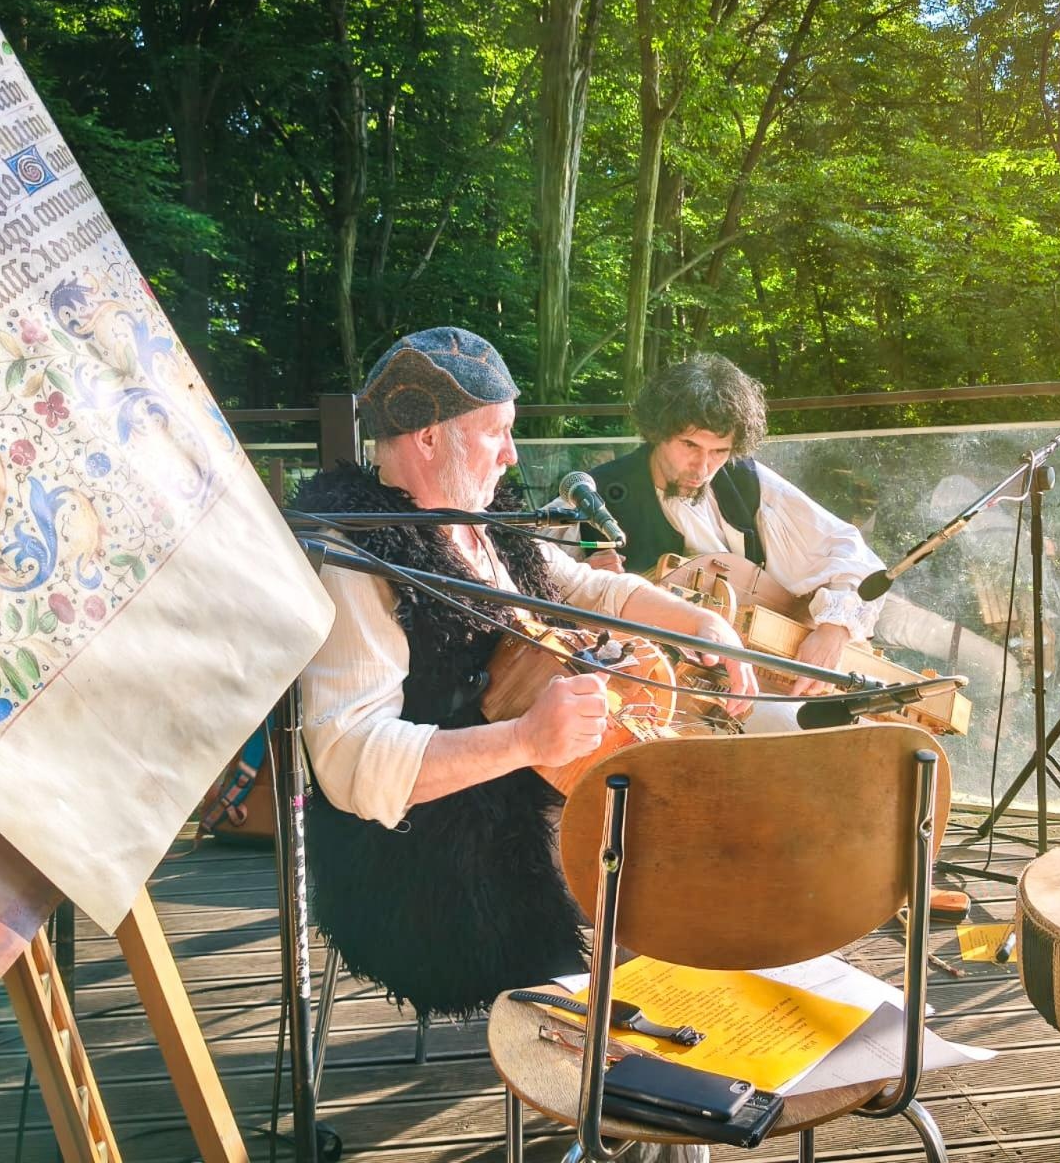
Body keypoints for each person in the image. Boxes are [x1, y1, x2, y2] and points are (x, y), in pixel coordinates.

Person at [295, 328, 756, 1020]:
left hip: (533, 793)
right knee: (674, 864)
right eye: (497, 435)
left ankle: (656, 1061)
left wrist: (699, 624)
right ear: (428, 438)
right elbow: (349, 761)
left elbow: (581, 586)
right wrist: (524, 742)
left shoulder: (482, 521)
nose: (512, 455)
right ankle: (632, 1076)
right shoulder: (359, 558)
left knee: (703, 830)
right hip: (436, 854)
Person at [566, 354, 886, 720]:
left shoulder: (743, 480)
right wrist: (591, 585)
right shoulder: (597, 492)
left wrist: (835, 629)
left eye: (719, 451)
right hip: (657, 698)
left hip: (761, 675)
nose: (703, 468)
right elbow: (532, 574)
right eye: (690, 445)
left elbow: (848, 547)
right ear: (657, 431)